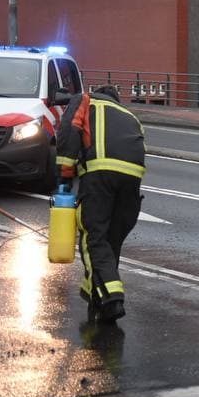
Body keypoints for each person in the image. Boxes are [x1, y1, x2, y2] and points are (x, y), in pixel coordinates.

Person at [56, 84, 146, 324]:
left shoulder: (85, 100)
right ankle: (98, 294)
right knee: (110, 239)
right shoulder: (130, 116)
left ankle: (113, 297)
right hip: (132, 181)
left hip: (99, 175)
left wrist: (65, 175)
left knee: (93, 236)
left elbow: (69, 130)